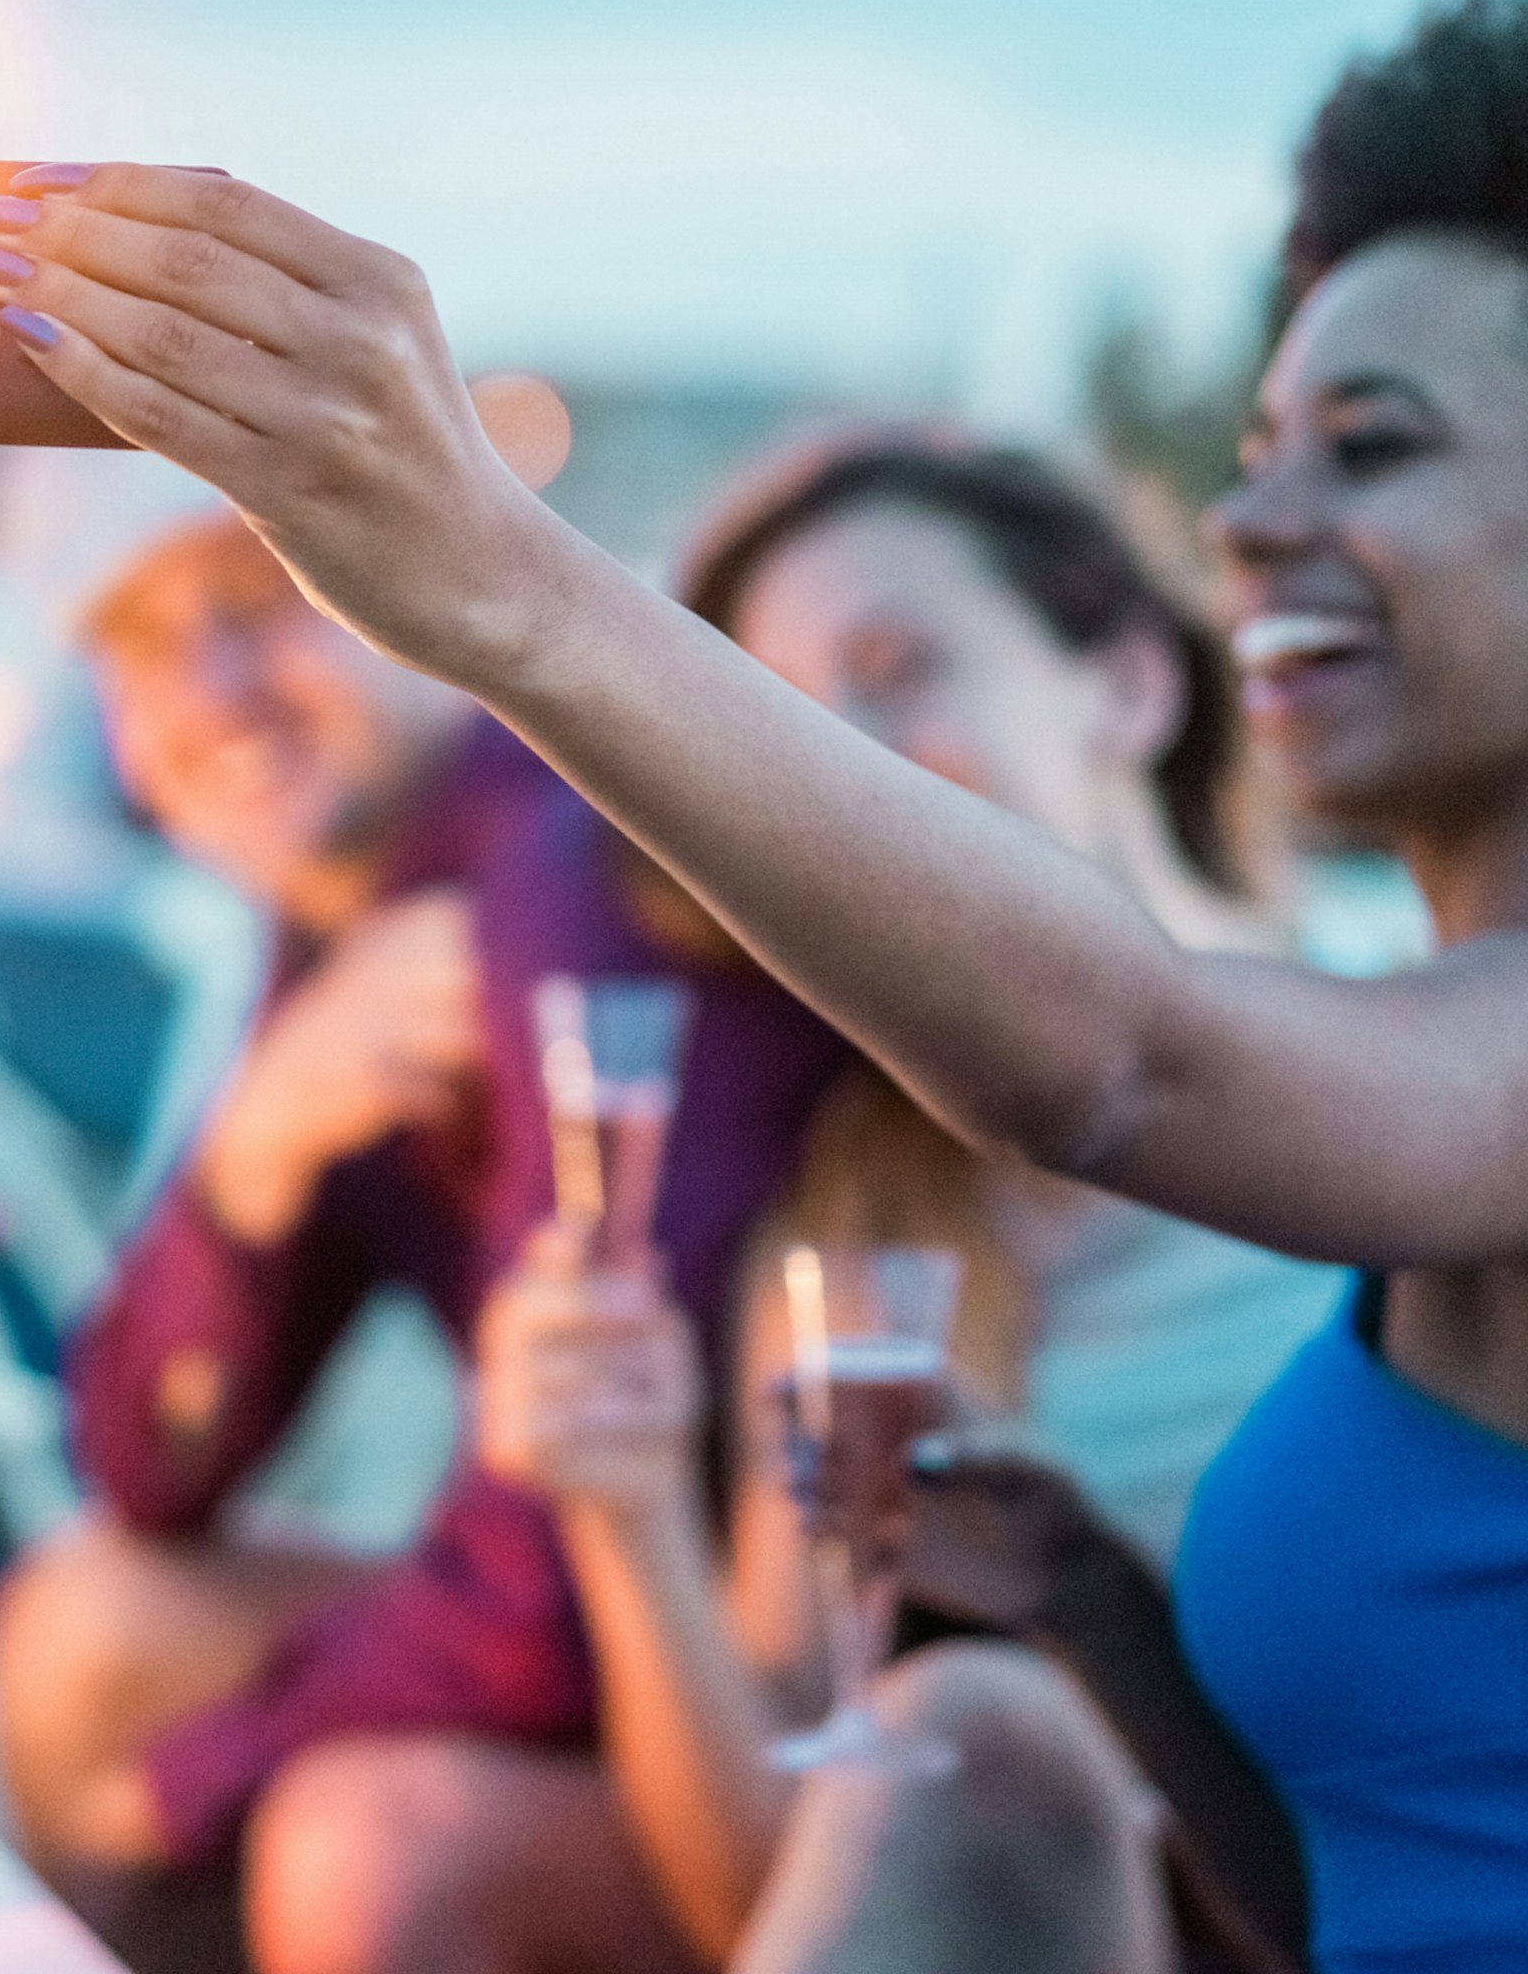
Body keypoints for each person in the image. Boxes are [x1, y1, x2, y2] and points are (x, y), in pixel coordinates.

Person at [0, 0, 1528, 1971]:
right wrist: (1094, 1619)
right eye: (1261, 446)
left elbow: (1120, 1054)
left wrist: (489, 575)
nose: (1259, 515)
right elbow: (1394, 1899)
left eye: (1370, 447)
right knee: (961, 1735)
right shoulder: (1527, 1100)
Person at [470, 433, 1336, 1970]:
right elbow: (759, 1891)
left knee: (984, 1725)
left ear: (1132, 686)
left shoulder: (1421, 1100)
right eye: (784, 724)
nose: (837, 769)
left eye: (901, 668)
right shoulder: (858, 1230)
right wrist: (628, 1512)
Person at [0, 497, 856, 1974]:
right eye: (137, 651)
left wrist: (190, 1790)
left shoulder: (570, 880)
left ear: (417, 605)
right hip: (636, 1598)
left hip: (793, 1658)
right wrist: (247, 1157)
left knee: (341, 1833)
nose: (211, 693)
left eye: (262, 606)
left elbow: (564, 1558)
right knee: (83, 1634)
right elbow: (140, 1473)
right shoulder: (346, 918)